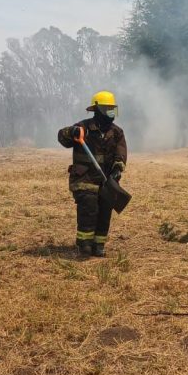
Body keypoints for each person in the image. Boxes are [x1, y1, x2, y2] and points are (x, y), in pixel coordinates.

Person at [57, 91, 128, 258]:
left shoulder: (117, 132)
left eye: (113, 111)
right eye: (107, 110)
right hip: (84, 178)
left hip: (106, 179)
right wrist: (71, 132)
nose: (111, 115)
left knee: (105, 209)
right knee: (89, 206)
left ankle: (99, 244)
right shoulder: (83, 128)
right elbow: (62, 137)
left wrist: (118, 169)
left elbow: (121, 153)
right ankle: (85, 244)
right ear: (97, 110)